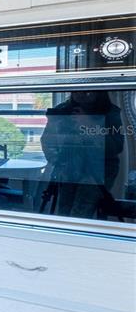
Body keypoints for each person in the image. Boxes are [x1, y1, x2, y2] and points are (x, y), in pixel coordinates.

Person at [40, 91, 124, 219]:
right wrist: (58, 162)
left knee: (80, 216)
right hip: (69, 169)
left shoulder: (110, 112)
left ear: (99, 93)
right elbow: (47, 140)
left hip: (97, 173)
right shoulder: (62, 111)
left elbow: (117, 146)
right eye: (77, 91)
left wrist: (90, 125)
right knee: (63, 214)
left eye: (89, 92)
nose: (82, 95)